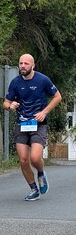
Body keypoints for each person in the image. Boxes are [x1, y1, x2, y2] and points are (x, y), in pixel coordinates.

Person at [3, 53, 62, 201]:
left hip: (38, 124)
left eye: (26, 63)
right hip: (22, 125)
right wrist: (10, 106)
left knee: (35, 158)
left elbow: (57, 96)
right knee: (23, 160)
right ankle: (33, 189)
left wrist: (44, 112)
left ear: (33, 65)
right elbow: (5, 103)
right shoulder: (15, 82)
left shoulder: (42, 80)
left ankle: (41, 172)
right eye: (21, 63)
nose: (23, 66)